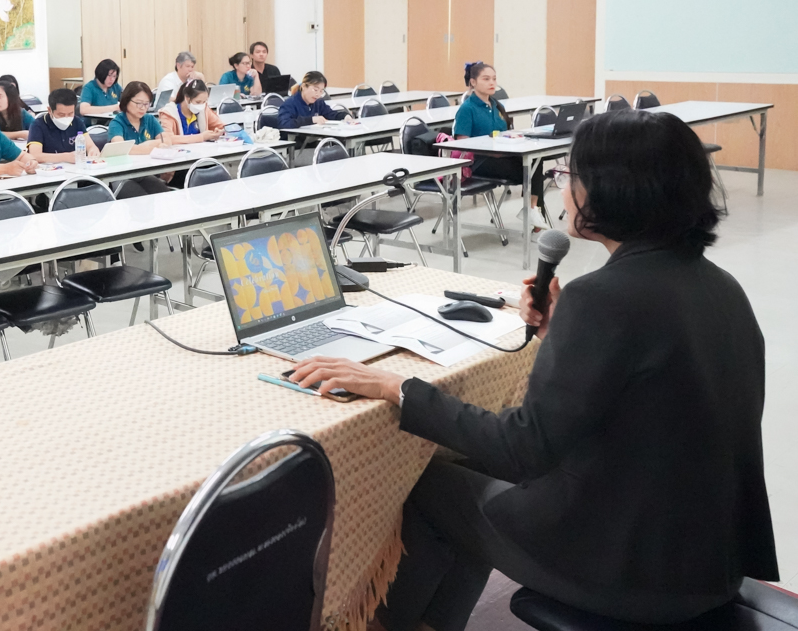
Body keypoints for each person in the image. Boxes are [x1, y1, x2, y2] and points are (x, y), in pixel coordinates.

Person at [289, 110, 775, 631]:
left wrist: (396, 386)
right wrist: (560, 335)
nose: (563, 187)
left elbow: (522, 448)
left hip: (629, 573)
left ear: (611, 191)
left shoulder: (603, 299)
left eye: (570, 174)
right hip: (707, 561)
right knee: (469, 473)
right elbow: (645, 402)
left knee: (426, 484)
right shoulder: (721, 286)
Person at [455, 61, 547, 229]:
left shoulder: (498, 106)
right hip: (479, 161)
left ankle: (533, 209)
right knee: (530, 172)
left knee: (535, 161)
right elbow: (462, 145)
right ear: (473, 82)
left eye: (494, 79)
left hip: (502, 155)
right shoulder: (467, 109)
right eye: (486, 79)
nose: (492, 83)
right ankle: (533, 213)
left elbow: (504, 133)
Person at [106, 83, 174, 197]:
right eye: (138, 103)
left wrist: (146, 145)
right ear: (127, 101)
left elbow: (167, 140)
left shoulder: (149, 119)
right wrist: (154, 146)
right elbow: (121, 149)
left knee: (165, 195)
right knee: (142, 200)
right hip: (122, 175)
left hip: (144, 172)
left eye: (146, 104)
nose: (143, 108)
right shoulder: (117, 123)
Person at [27, 88, 99, 161]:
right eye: (61, 114)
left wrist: (93, 151)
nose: (66, 118)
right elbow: (35, 155)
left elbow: (90, 146)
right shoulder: (38, 125)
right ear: (49, 110)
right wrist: (66, 157)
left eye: (70, 113)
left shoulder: (77, 121)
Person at [278, 71, 355, 129]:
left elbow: (331, 114)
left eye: (321, 91)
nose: (318, 94)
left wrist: (345, 116)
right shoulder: (290, 104)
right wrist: (311, 120)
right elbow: (284, 123)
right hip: (297, 143)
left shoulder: (318, 102)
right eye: (315, 90)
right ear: (304, 86)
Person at [157, 79, 223, 144]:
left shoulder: (203, 109)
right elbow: (167, 139)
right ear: (186, 98)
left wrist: (217, 132)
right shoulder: (169, 113)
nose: (201, 105)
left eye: (204, 102)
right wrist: (201, 137)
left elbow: (220, 126)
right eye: (198, 102)